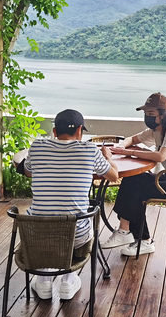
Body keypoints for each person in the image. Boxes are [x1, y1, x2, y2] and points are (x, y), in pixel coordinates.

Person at [20, 109, 120, 300]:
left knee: (48, 221)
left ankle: (43, 281)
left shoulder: (38, 146)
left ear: (55, 131)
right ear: (80, 131)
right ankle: (68, 278)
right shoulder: (90, 150)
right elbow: (114, 176)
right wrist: (109, 158)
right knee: (79, 221)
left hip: (36, 233)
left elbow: (28, 172)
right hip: (75, 236)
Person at [105, 93, 166, 257]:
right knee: (132, 179)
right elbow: (133, 139)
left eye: (151, 114)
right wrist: (119, 147)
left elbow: (160, 156)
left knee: (138, 188)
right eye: (146, 114)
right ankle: (127, 232)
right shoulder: (157, 130)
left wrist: (128, 152)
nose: (147, 117)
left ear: (164, 114)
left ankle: (140, 238)